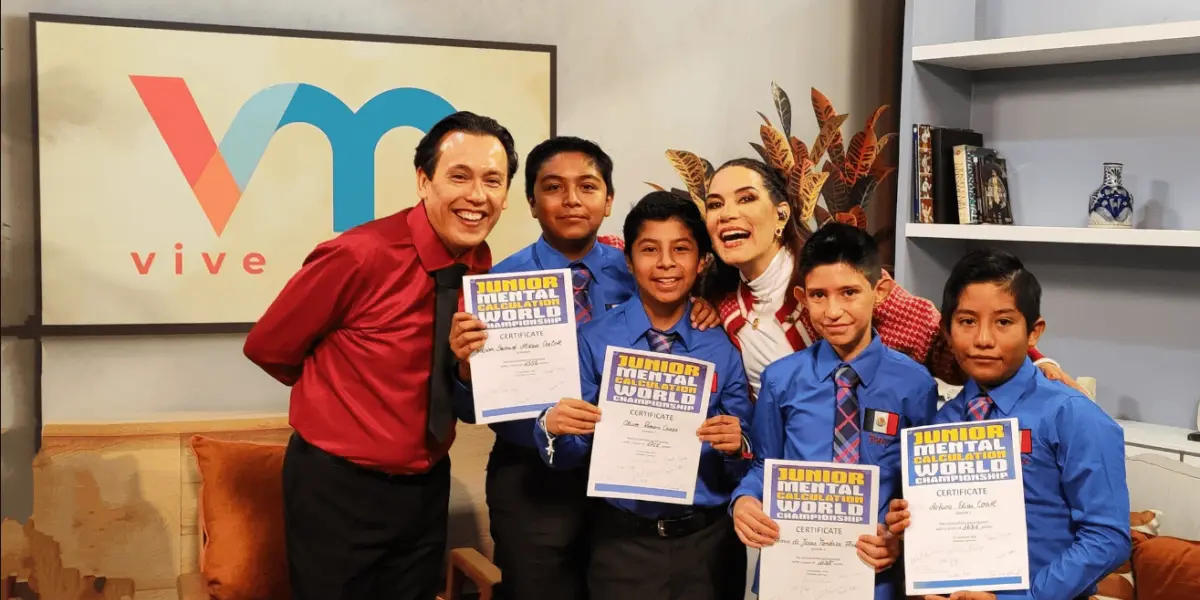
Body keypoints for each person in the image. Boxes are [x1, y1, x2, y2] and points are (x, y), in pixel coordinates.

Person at [243, 111, 518, 600]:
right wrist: (338, 401)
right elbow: (269, 346)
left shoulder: (481, 264)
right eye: (459, 176)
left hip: (428, 485)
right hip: (337, 489)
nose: (478, 196)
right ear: (423, 181)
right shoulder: (359, 254)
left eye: (492, 181)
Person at [448, 137, 721, 600]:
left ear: (608, 199)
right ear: (531, 202)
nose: (572, 199)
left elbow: (684, 337)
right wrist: (465, 368)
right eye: (553, 187)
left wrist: (704, 310)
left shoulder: (648, 272)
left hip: (631, 487)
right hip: (534, 484)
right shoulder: (495, 285)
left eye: (588, 186)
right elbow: (472, 410)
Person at [701, 158, 1081, 397]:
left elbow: (946, 339)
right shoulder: (719, 297)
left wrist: (1035, 362)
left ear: (781, 214)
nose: (727, 213)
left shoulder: (839, 276)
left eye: (746, 198)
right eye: (715, 204)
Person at [532, 191, 752, 600]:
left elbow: (744, 462)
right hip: (622, 543)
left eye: (681, 249)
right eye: (650, 249)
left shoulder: (722, 344)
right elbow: (566, 458)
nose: (666, 263)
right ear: (629, 261)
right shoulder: (594, 340)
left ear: (702, 261)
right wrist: (555, 426)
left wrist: (736, 444)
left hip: (709, 543)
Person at [884, 249, 1130, 600]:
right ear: (946, 331)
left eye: (1003, 322)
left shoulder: (1073, 415)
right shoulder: (943, 422)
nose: (983, 339)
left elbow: (1108, 538)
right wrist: (910, 522)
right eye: (967, 321)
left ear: (1034, 332)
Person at [730, 222, 937, 600]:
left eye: (849, 292)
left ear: (881, 292)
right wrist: (744, 500)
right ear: (802, 297)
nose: (833, 310)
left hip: (876, 577)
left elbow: (922, 487)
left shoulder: (915, 385)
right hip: (792, 574)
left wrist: (899, 540)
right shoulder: (781, 380)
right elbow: (764, 464)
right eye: (818, 295)